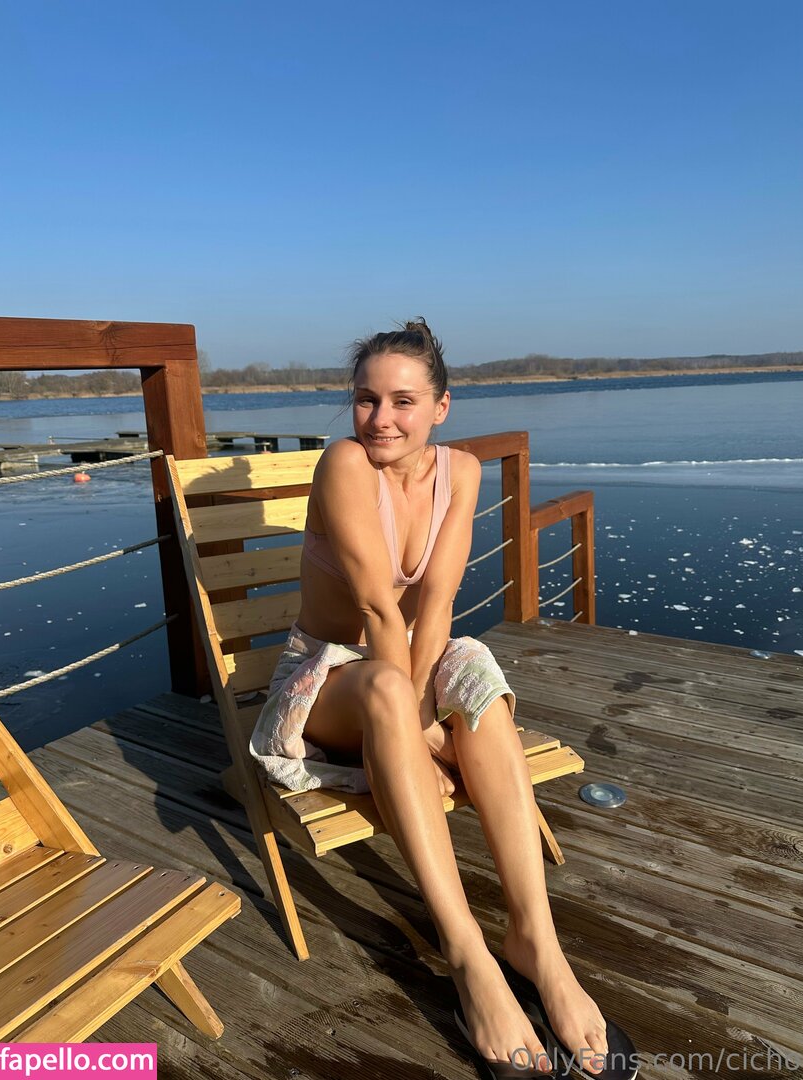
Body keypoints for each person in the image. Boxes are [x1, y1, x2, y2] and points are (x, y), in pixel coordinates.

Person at [250, 319, 636, 1079]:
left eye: (403, 401)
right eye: (366, 399)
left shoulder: (460, 471)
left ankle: (537, 943)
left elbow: (436, 607)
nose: (381, 419)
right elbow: (376, 609)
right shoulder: (344, 465)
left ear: (441, 407)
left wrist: (429, 720)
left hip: (406, 661)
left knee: (477, 677)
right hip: (328, 677)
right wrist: (419, 724)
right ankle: (468, 958)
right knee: (390, 686)